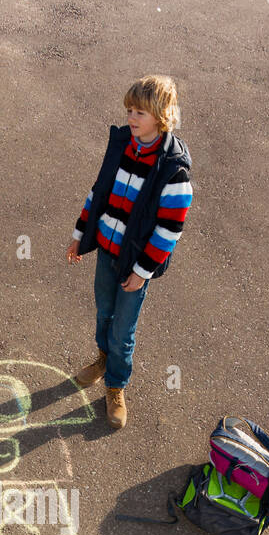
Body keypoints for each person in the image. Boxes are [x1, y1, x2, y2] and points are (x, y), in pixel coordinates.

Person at [67, 75, 193, 430]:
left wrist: (142, 271)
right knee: (104, 312)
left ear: (161, 115)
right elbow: (99, 191)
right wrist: (81, 234)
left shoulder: (172, 168)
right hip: (107, 250)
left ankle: (116, 384)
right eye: (129, 110)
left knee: (124, 328)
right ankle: (103, 359)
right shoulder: (123, 145)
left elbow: (170, 230)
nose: (132, 118)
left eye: (139, 112)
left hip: (134, 264)